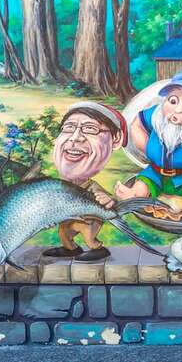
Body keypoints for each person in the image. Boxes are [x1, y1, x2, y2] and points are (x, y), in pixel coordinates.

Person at [116, 67, 182, 231]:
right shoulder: (157, 115)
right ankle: (134, 197)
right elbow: (137, 124)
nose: (178, 110)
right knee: (141, 185)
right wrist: (148, 148)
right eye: (173, 101)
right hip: (155, 172)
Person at [43, 101, 126, 263]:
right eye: (68, 127)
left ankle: (97, 248)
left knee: (88, 233)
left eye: (90, 128)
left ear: (115, 139)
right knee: (64, 232)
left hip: (89, 219)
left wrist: (108, 200)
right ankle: (70, 248)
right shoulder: (60, 185)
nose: (75, 138)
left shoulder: (91, 186)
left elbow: (109, 200)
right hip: (69, 219)